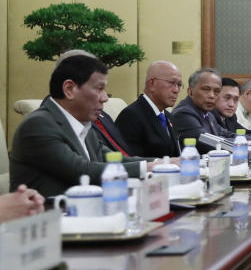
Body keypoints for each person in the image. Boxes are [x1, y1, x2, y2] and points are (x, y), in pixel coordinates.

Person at [9, 55, 150, 196]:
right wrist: (146, 167)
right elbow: (82, 170)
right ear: (69, 89)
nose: (105, 98)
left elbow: (113, 158)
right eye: (99, 89)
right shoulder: (38, 125)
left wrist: (161, 163)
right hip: (47, 214)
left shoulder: (82, 124)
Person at [116, 60, 182, 157]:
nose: (176, 90)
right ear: (152, 84)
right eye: (172, 83)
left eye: (179, 85)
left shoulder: (168, 117)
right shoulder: (131, 116)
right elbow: (131, 161)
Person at [171, 67, 225, 152]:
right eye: (206, 89)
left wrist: (250, 137)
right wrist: (239, 146)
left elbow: (223, 133)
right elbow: (209, 143)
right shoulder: (183, 114)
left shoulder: (208, 114)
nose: (212, 95)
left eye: (216, 91)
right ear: (190, 92)